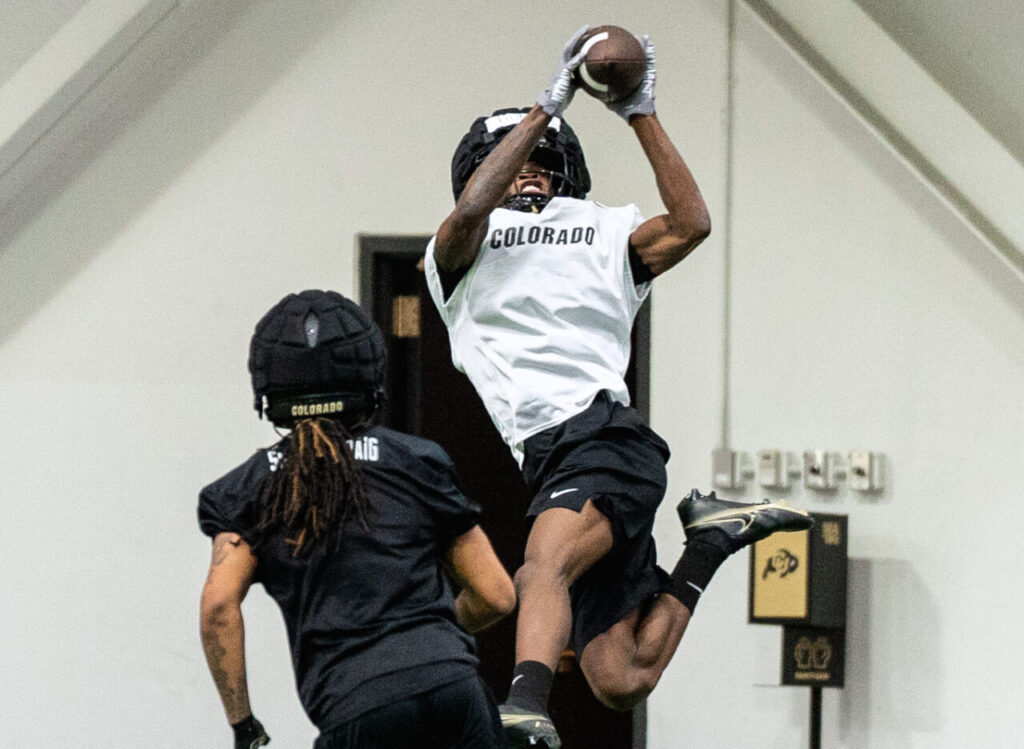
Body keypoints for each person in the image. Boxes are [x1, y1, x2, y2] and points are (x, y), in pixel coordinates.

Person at [423, 27, 813, 749]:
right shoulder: (460, 254)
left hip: (603, 438)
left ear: (565, 171)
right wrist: (548, 106)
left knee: (542, 564)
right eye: (514, 163)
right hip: (546, 453)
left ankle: (525, 705)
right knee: (620, 675)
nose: (530, 172)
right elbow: (471, 210)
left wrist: (641, 111)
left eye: (544, 162)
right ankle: (711, 541)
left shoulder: (599, 228)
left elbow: (692, 222)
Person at [198, 290, 516, 749]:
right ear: (368, 377)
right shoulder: (417, 462)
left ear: (269, 389)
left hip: (357, 707)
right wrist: (425, 641)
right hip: (453, 689)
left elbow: (217, 608)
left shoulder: (245, 490)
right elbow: (496, 595)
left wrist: (243, 725)